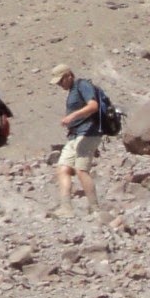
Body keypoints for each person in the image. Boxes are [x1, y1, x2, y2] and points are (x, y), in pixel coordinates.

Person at [49, 64, 104, 216]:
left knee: (81, 170)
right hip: (74, 135)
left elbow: (93, 106)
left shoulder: (83, 85)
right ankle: (66, 208)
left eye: (61, 81)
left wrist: (72, 116)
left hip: (88, 133)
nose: (60, 85)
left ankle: (95, 208)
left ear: (69, 76)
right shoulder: (72, 90)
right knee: (62, 169)